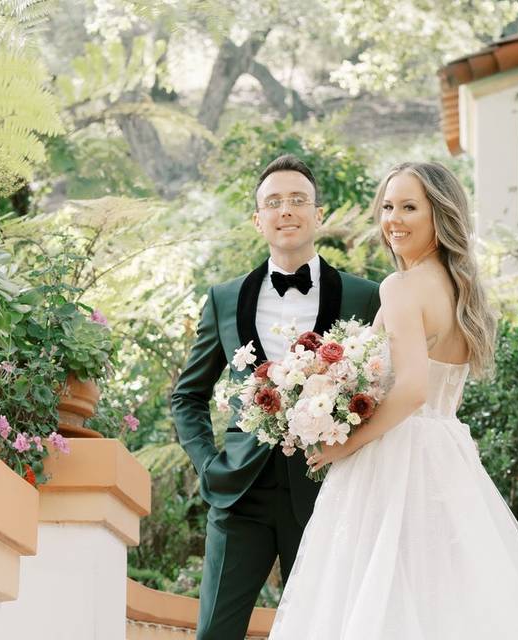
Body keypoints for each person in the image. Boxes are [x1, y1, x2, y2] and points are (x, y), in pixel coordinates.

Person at [268, 162, 518, 639]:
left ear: (440, 214)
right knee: (444, 599)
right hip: (447, 454)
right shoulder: (460, 291)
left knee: (378, 600)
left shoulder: (401, 287)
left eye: (409, 207)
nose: (393, 218)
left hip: (394, 458)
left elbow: (412, 389)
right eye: (388, 206)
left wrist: (344, 444)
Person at [170, 154, 381, 640]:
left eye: (297, 200)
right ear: (258, 219)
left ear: (318, 213)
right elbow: (188, 396)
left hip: (328, 490)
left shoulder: (365, 297)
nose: (286, 210)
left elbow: (381, 393)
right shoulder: (224, 298)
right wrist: (208, 465)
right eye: (274, 202)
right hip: (241, 492)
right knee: (215, 633)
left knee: (322, 630)